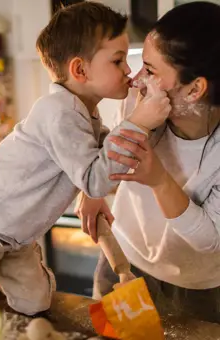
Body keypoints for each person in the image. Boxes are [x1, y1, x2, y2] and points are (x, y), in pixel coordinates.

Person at [0, 2, 170, 316]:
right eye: (118, 60)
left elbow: (108, 160)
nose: (128, 70)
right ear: (80, 70)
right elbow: (94, 179)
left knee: (36, 303)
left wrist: (139, 125)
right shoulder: (58, 113)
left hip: (15, 237)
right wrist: (139, 122)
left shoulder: (86, 115)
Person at [77, 1, 220, 323]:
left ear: (196, 88)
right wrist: (93, 189)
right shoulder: (138, 99)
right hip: (122, 261)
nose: (136, 79)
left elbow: (210, 239)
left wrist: (158, 179)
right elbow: (111, 148)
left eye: (151, 71)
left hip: (197, 287)